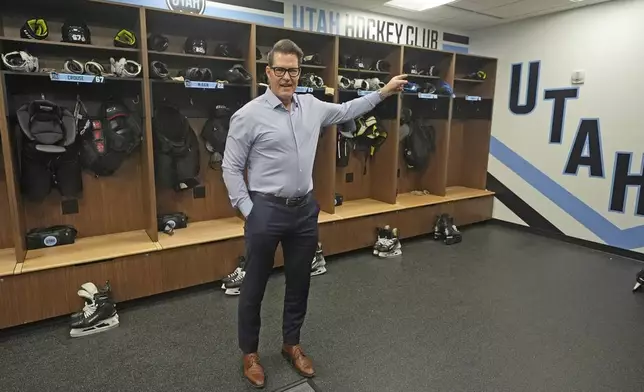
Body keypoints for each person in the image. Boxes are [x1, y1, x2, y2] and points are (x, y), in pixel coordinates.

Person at [222, 39, 407, 389]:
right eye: (280, 70)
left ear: (299, 72)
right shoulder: (248, 115)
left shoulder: (312, 106)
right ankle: (250, 353)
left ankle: (291, 344)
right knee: (254, 286)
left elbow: (349, 110)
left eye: (293, 70)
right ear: (268, 72)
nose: (286, 77)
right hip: (266, 210)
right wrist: (250, 211)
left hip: (304, 211)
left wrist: (383, 92)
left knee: (300, 282)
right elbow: (231, 168)